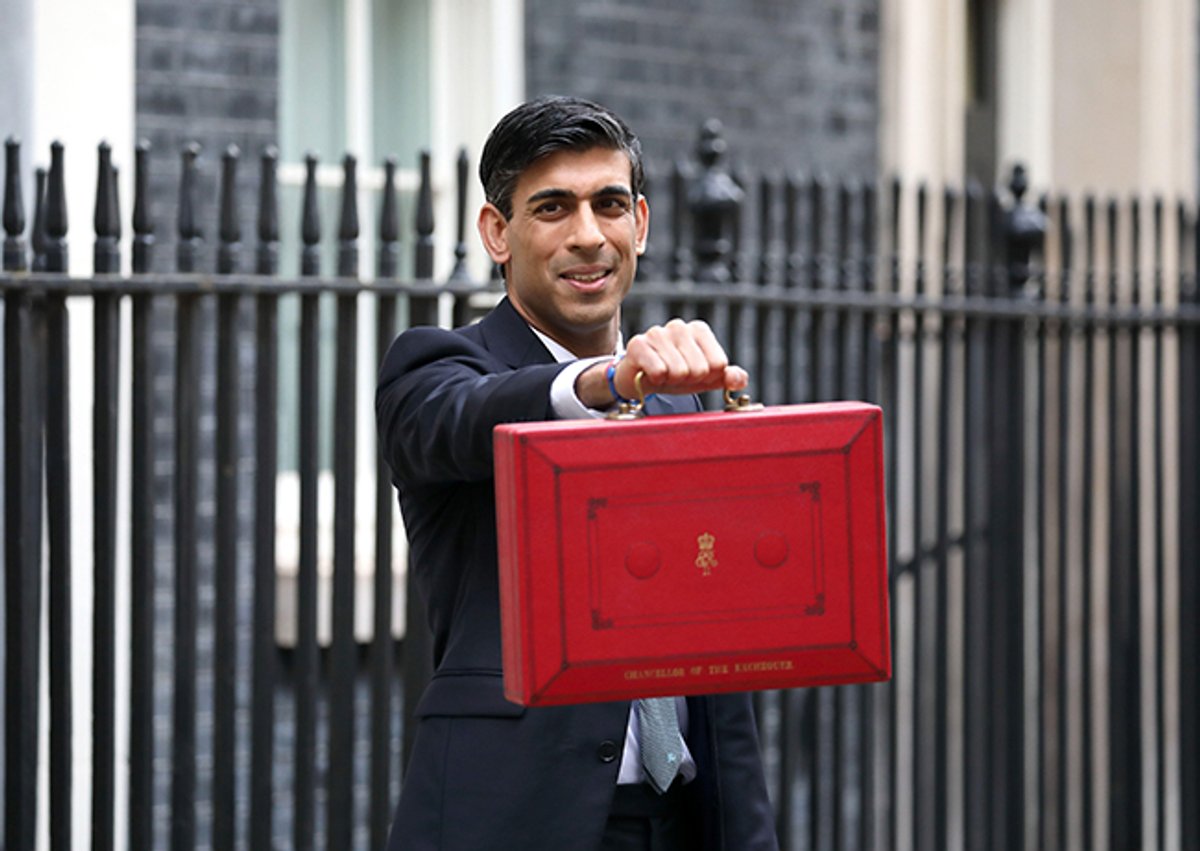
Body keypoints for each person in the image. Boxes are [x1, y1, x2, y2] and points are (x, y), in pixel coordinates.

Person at [377, 95, 779, 851]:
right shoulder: (436, 368)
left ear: (642, 224)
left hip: (679, 817)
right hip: (509, 821)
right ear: (498, 233)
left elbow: (722, 674)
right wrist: (602, 382)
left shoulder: (684, 398)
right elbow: (463, 421)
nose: (588, 236)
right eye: (553, 208)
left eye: (609, 204)